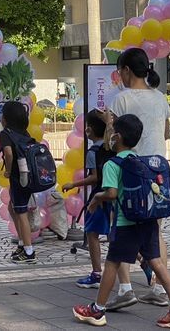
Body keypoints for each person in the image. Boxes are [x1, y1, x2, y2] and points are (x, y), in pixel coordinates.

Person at [72, 114, 170, 328]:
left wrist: (96, 198)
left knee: (111, 264)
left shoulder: (112, 164)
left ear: (117, 136)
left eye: (112, 131)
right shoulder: (139, 161)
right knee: (156, 261)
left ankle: (97, 310)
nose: (110, 135)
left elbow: (112, 193)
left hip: (126, 223)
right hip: (148, 220)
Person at [104, 48, 170, 311]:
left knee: (120, 227)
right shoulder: (160, 98)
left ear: (125, 70)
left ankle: (125, 289)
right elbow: (166, 133)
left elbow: (110, 141)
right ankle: (157, 288)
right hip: (158, 173)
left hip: (129, 170)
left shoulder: (120, 100)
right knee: (156, 230)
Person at [62, 110, 113, 288]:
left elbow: (94, 177)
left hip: (98, 197)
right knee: (116, 235)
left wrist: (73, 184)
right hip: (114, 196)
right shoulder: (112, 147)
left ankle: (96, 273)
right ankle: (144, 262)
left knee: (92, 234)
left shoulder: (93, 151)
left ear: (89, 130)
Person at [0, 101, 38, 264]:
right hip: (28, 177)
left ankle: (29, 251)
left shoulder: (6, 133)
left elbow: (8, 153)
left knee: (21, 212)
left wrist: (8, 170)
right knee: (13, 207)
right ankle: (23, 243)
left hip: (18, 178)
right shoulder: (25, 133)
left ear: (6, 118)